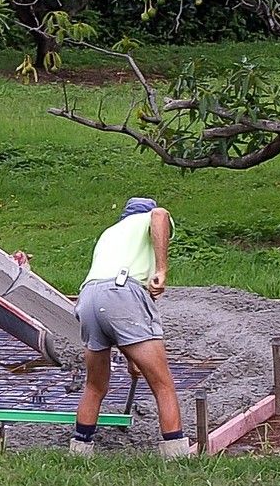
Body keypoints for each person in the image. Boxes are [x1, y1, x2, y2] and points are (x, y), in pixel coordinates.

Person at [69, 196, 192, 458]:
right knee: (163, 384)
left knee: (94, 386)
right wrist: (161, 269)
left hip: (88, 297)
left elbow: (110, 315)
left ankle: (80, 451)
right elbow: (159, 215)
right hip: (123, 291)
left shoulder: (109, 233)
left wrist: (131, 357)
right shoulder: (148, 219)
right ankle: (176, 453)